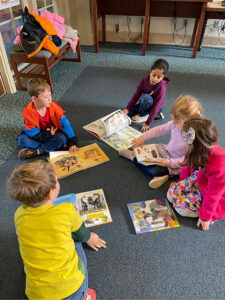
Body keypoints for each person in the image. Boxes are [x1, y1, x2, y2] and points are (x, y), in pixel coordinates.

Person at [7, 160, 106, 300]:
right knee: (76, 242)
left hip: (36, 294)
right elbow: (82, 233)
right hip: (72, 290)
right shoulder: (66, 210)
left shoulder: (19, 214)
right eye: (56, 180)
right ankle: (84, 296)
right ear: (50, 193)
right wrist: (90, 237)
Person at [119, 95, 203, 189]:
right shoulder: (174, 123)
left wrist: (169, 163)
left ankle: (133, 158)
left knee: (154, 170)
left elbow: (187, 160)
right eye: (173, 119)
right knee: (148, 151)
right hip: (167, 150)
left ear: (189, 122)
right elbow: (159, 130)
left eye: (177, 120)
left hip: (178, 163)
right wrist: (143, 137)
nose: (173, 122)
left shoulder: (191, 137)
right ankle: (142, 161)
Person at [167, 118, 225, 231]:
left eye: (184, 138)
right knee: (170, 195)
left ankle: (206, 213)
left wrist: (205, 217)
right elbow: (186, 166)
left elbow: (214, 195)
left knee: (181, 209)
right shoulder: (196, 149)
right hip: (201, 181)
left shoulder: (219, 164)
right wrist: (181, 183)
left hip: (217, 194)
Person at [18, 78, 78, 159]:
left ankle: (38, 151)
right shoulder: (28, 113)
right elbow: (32, 133)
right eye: (46, 97)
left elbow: (65, 125)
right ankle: (52, 147)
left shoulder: (54, 107)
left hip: (53, 133)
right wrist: (48, 135)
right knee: (22, 140)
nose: (50, 99)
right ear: (34, 99)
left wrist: (72, 143)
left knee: (61, 138)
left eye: (50, 95)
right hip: (40, 135)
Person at [123, 58, 169, 132]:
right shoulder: (144, 81)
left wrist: (148, 122)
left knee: (146, 97)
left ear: (163, 77)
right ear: (150, 71)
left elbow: (157, 105)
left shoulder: (162, 88)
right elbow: (136, 96)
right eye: (153, 75)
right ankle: (147, 114)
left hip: (157, 107)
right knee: (125, 115)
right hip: (145, 103)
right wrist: (128, 108)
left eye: (159, 77)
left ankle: (143, 115)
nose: (154, 79)